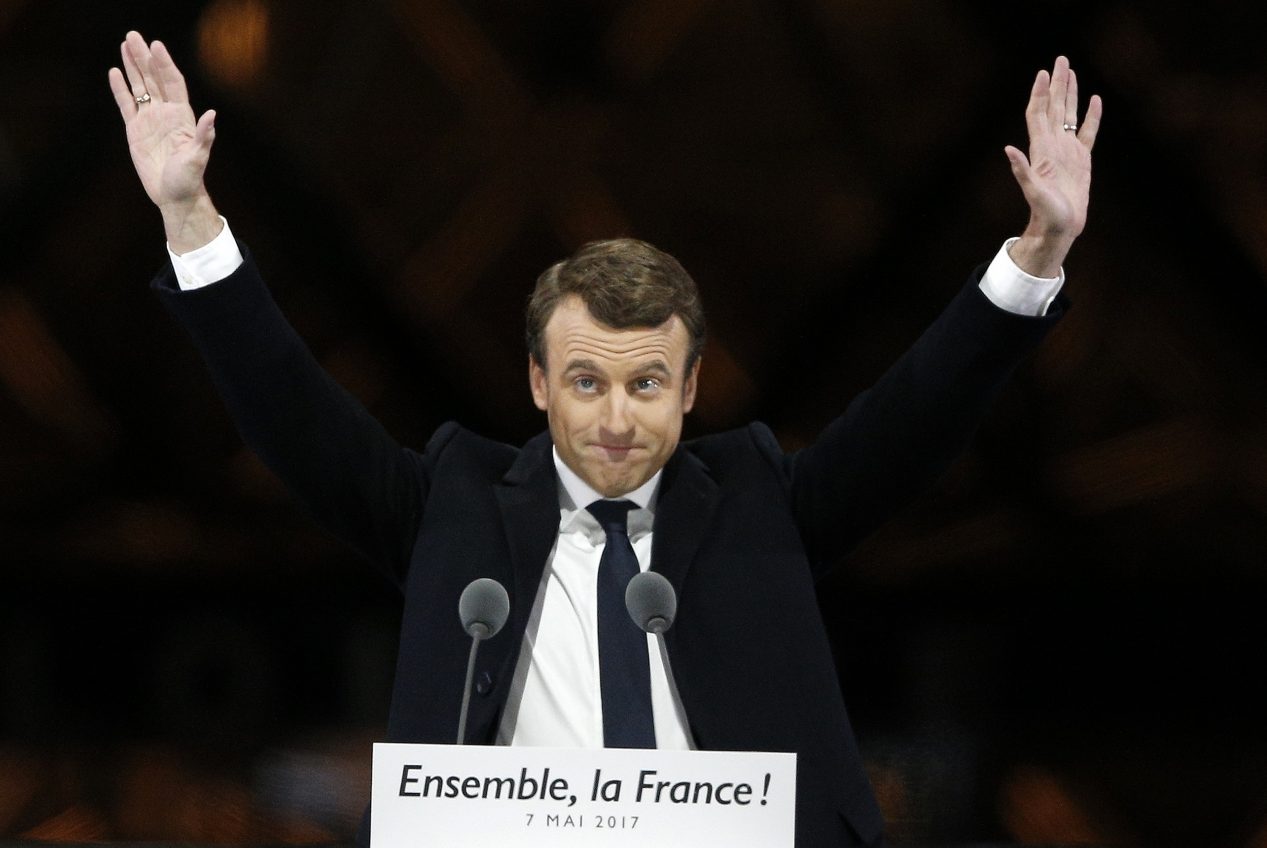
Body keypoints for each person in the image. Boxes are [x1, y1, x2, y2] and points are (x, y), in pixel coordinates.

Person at [109, 31, 1101, 848]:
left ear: (691, 388)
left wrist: (1038, 250)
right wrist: (189, 216)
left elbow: (917, 414)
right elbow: (292, 414)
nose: (617, 418)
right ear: (538, 383)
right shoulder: (452, 503)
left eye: (646, 383)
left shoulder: (760, 500)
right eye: (586, 381)